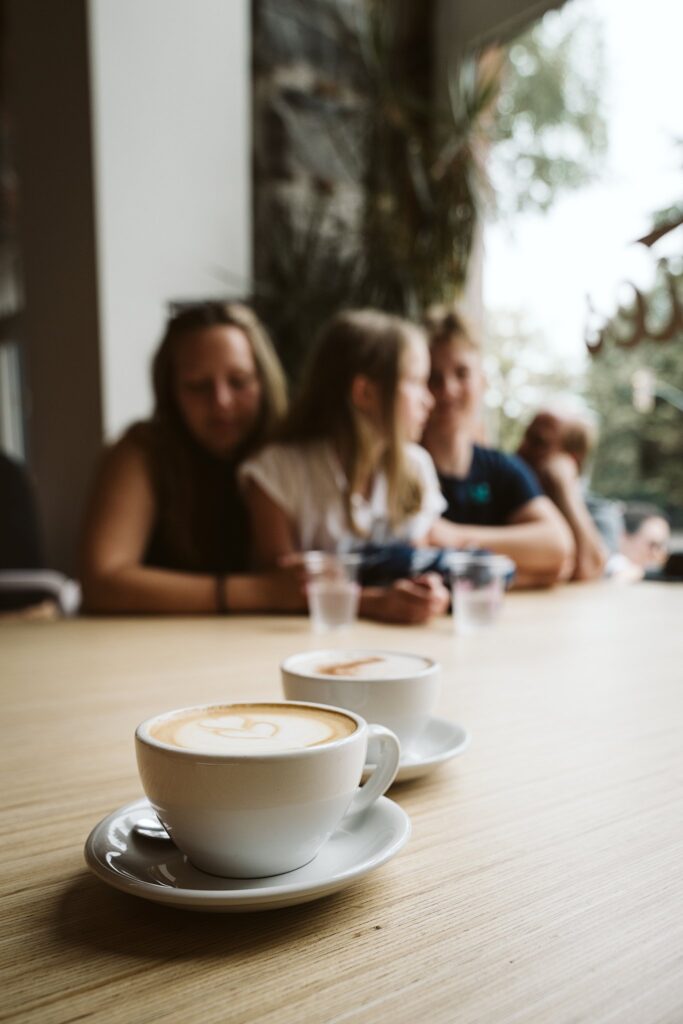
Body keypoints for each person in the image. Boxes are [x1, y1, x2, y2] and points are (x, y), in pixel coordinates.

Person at [80, 301, 302, 613]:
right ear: (170, 391)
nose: (222, 402)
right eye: (198, 386)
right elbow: (101, 582)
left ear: (263, 381)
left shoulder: (292, 453)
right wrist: (262, 592)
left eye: (238, 382)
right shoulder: (144, 451)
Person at [239, 309, 450, 624]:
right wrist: (375, 603)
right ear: (365, 392)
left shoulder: (416, 466)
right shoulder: (276, 472)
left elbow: (415, 563)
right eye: (417, 382)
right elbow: (278, 589)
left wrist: (430, 593)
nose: (429, 400)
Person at [421, 309, 575, 587]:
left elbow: (557, 546)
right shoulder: (401, 467)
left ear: (482, 381)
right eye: (434, 377)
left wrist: (451, 537)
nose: (448, 389)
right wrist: (516, 570)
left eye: (462, 373)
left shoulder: (501, 469)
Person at [517, 409, 608, 581]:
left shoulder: (600, 514)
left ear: (569, 460)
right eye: (525, 437)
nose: (522, 449)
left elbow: (589, 568)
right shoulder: (511, 502)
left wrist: (563, 485)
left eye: (538, 442)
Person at [610, 502, 670, 580]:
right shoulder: (613, 565)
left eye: (662, 546)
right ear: (624, 537)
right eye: (653, 545)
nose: (660, 553)